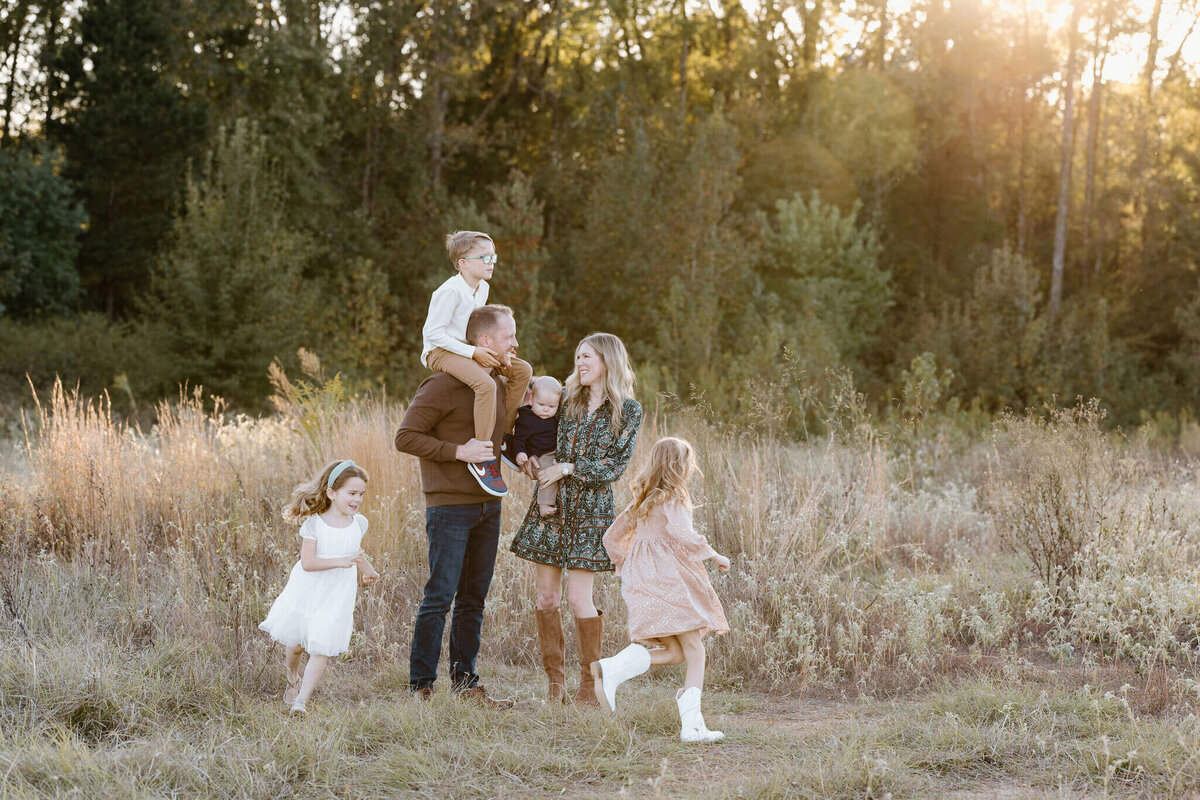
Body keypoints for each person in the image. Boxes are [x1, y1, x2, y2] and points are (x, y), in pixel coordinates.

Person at [395, 304, 521, 707]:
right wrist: (457, 451)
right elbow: (405, 437)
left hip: (489, 504)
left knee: (474, 599)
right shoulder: (442, 384)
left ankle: (466, 685)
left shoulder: (497, 383)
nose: (515, 344)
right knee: (440, 595)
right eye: (508, 337)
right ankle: (421, 687)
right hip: (448, 505)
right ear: (485, 342)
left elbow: (504, 436)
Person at [510, 333, 643, 704]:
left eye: (588, 357)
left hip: (591, 511)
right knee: (546, 596)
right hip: (552, 506)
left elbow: (615, 466)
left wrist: (568, 467)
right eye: (578, 357)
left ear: (607, 361)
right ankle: (555, 687)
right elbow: (531, 425)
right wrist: (528, 458)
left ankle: (588, 687)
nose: (580, 363)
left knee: (577, 599)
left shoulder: (628, 410)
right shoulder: (566, 400)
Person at [590, 437, 730, 743]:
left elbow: (611, 538)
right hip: (669, 581)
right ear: (680, 466)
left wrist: (629, 566)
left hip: (642, 581)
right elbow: (682, 532)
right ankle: (692, 727)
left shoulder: (642, 499)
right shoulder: (674, 497)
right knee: (696, 652)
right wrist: (714, 555)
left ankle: (613, 667)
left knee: (677, 652)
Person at [259, 459, 381, 717]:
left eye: (361, 494)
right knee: (295, 645)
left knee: (320, 646)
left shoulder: (359, 523)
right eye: (351, 493)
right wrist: (341, 561)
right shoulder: (314, 524)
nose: (357, 499)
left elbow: (356, 555)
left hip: (337, 594)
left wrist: (369, 571)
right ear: (331, 493)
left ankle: (301, 701)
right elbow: (308, 563)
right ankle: (292, 678)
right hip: (308, 589)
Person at [421, 230, 533, 497]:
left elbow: (477, 331)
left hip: (468, 350)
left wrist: (497, 353)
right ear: (463, 263)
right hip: (440, 352)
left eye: (493, 256)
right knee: (485, 384)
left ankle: (503, 436)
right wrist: (474, 354)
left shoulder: (482, 288)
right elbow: (433, 334)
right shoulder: (448, 291)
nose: (491, 261)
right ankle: (483, 457)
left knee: (521, 370)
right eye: (484, 256)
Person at [511, 375, 562, 516]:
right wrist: (520, 453)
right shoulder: (526, 419)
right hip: (540, 457)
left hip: (553, 452)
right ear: (531, 399)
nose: (546, 410)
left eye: (552, 406)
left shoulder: (554, 418)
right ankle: (544, 506)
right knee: (548, 474)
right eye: (541, 405)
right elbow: (519, 439)